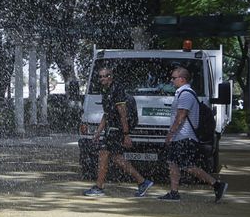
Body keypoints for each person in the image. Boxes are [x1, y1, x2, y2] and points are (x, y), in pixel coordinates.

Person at [158, 66, 228, 202]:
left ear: (182, 79)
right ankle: (174, 192)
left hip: (185, 136)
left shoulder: (185, 94)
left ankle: (217, 185)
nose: (171, 81)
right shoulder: (181, 93)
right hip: (180, 136)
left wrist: (170, 134)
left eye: (173, 78)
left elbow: (181, 116)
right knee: (173, 163)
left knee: (187, 165)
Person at [83, 67, 155, 197]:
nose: (102, 78)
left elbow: (122, 113)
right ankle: (142, 181)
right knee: (115, 158)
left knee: (105, 154)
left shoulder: (117, 89)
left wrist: (126, 134)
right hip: (111, 129)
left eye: (105, 76)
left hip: (117, 130)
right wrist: (98, 132)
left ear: (111, 77)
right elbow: (107, 114)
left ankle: (99, 187)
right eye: (100, 76)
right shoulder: (105, 91)